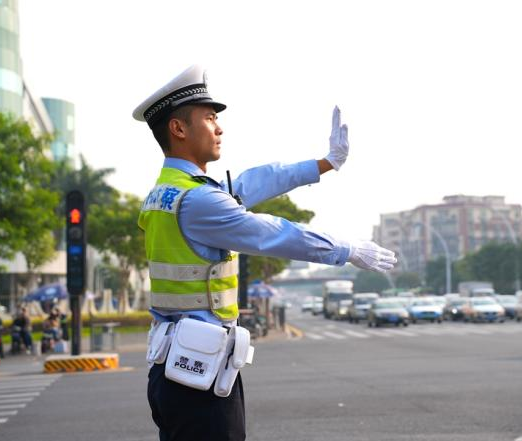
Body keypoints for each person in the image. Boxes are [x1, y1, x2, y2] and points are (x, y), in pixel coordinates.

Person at [133, 65, 396, 441]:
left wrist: (325, 163)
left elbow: (255, 181)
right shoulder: (198, 200)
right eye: (209, 118)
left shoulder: (170, 191)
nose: (219, 128)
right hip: (197, 375)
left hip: (175, 366)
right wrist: (346, 249)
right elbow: (274, 233)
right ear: (178, 129)